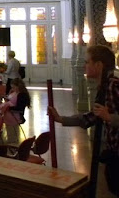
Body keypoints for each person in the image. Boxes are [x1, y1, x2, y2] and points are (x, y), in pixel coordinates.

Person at [48, 45, 118, 195]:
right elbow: (92, 116)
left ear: (99, 65)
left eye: (87, 62)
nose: (84, 66)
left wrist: (110, 117)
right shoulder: (105, 86)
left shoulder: (113, 85)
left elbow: (105, 116)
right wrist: (61, 119)